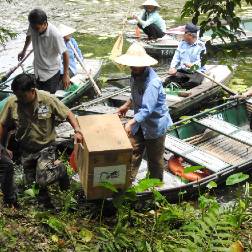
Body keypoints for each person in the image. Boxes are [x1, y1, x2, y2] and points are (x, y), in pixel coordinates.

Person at [0, 73, 83, 208]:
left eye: (22, 96)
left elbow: (67, 113)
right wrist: (3, 148)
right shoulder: (12, 103)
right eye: (17, 96)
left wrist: (77, 130)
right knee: (33, 186)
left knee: (43, 179)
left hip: (46, 147)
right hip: (26, 149)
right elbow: (3, 125)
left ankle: (60, 170)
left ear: (32, 91)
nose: (19, 99)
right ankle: (47, 206)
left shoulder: (47, 99)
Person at [115, 43, 173, 182]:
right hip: (140, 123)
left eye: (135, 65)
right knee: (133, 150)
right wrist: (127, 105)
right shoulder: (134, 75)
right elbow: (136, 94)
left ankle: (156, 186)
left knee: (155, 160)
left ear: (143, 65)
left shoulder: (153, 82)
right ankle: (128, 181)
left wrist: (130, 121)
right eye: (131, 64)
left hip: (155, 124)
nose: (132, 67)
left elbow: (147, 109)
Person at [18, 8, 70, 94]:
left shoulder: (55, 35)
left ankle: (59, 85)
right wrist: (24, 51)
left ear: (45, 24)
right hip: (37, 69)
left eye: (37, 28)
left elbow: (65, 54)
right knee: (35, 94)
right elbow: (29, 36)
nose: (34, 30)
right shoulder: (33, 25)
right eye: (32, 27)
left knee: (46, 98)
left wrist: (65, 75)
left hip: (51, 72)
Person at [165, 23, 206, 89]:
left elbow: (201, 61)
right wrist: (173, 67)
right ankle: (181, 86)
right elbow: (176, 57)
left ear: (190, 35)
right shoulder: (182, 44)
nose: (182, 35)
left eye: (183, 33)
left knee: (194, 83)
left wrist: (193, 66)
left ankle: (181, 87)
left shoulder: (201, 46)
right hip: (183, 71)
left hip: (196, 72)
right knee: (167, 81)